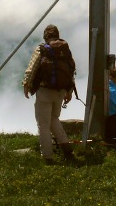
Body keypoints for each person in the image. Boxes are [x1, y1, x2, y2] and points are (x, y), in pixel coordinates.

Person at [22, 24, 76, 164]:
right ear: (57, 35)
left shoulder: (42, 49)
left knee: (43, 125)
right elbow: (71, 71)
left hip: (45, 91)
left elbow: (32, 68)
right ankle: (67, 151)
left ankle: (48, 157)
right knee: (54, 119)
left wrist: (26, 85)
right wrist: (69, 92)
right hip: (61, 91)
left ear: (45, 36)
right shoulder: (65, 50)